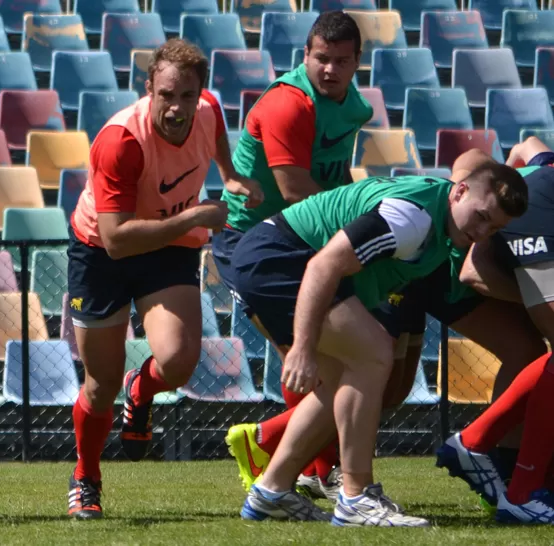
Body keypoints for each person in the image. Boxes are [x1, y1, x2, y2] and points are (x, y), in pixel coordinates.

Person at [227, 165, 528, 526]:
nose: (480, 233)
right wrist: (303, 347)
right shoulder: (410, 219)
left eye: (492, 228)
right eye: (480, 217)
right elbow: (323, 266)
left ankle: (271, 491)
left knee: (343, 376)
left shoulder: (439, 216)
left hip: (278, 257)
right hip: (278, 259)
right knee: (372, 356)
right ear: (460, 192)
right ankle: (356, 496)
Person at [65, 38, 262, 520]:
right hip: (101, 253)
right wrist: (196, 214)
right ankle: (85, 476)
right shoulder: (121, 141)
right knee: (99, 383)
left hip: (169, 246)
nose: (177, 108)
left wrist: (231, 176)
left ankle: (143, 389)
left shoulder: (209, 109)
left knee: (178, 361)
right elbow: (116, 239)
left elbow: (215, 144)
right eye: (166, 95)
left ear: (201, 94)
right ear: (149, 87)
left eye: (187, 97)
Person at [214, 11, 373, 500]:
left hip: (301, 235)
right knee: (305, 356)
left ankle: (296, 460)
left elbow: (335, 176)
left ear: (356, 63)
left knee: (334, 358)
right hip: (251, 242)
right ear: (306, 56)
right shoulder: (290, 103)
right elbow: (295, 187)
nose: (330, 69)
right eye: (321, 58)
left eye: (341, 61)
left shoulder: (350, 104)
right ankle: (290, 460)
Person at [433, 137, 554, 524]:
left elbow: (525, 145)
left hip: (522, 223)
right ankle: (516, 483)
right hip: (524, 226)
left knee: (529, 350)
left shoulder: (543, 165)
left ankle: (499, 461)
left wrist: (509, 176)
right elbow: (471, 272)